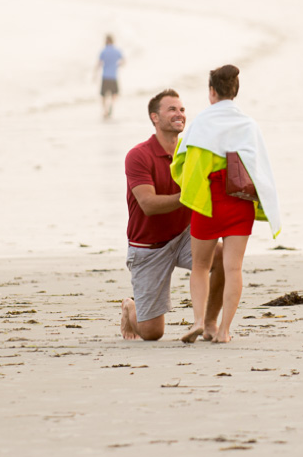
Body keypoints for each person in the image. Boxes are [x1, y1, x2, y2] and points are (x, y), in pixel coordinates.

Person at [171, 65, 281, 344]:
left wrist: (189, 187)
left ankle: (198, 321)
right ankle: (223, 330)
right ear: (235, 91)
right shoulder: (248, 125)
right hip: (238, 203)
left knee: (200, 266)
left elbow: (183, 163)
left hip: (208, 201)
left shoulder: (200, 123)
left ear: (211, 92)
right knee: (233, 268)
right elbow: (260, 169)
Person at [121, 89, 225, 341]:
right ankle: (129, 308)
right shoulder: (139, 155)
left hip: (183, 235)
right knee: (152, 333)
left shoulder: (190, 152)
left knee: (222, 255)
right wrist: (190, 195)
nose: (179, 114)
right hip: (148, 246)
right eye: (172, 110)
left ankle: (209, 323)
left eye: (182, 109)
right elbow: (148, 204)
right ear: (154, 117)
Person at [95, 35, 125, 119]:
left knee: (103, 95)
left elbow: (99, 63)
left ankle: (105, 110)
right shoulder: (117, 51)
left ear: (106, 41)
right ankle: (111, 104)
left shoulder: (103, 51)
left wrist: (95, 74)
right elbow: (123, 61)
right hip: (113, 76)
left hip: (105, 76)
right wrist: (117, 65)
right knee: (114, 93)